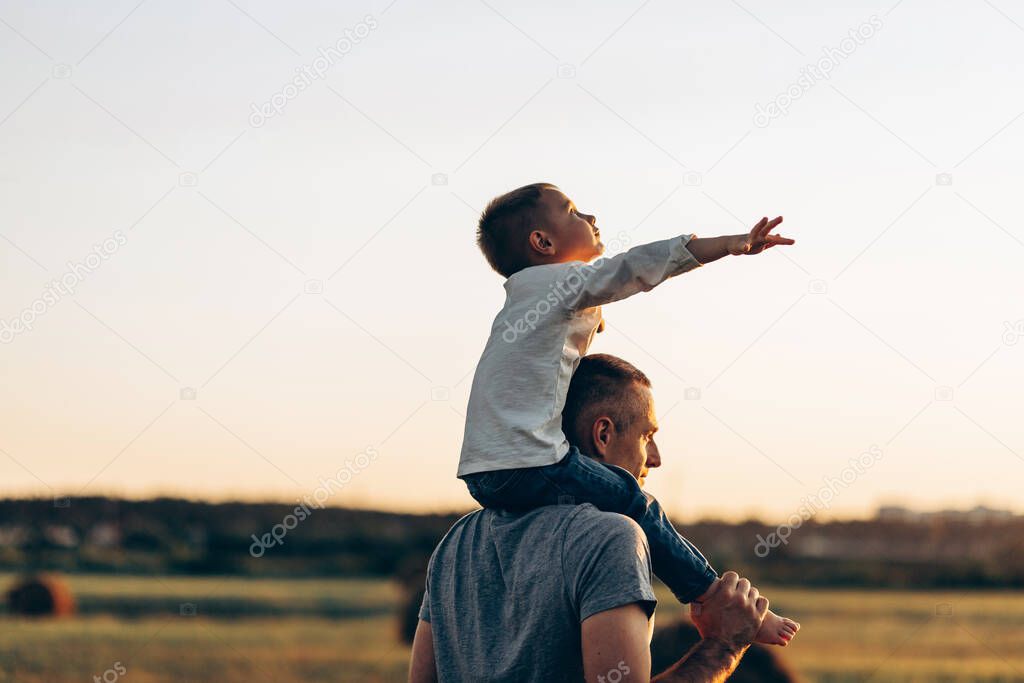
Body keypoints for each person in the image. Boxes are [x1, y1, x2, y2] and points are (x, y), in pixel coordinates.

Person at [457, 182, 798, 644]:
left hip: (484, 474)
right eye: (573, 211)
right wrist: (728, 246)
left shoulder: (519, 302)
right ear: (543, 243)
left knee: (580, 510)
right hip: (529, 463)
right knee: (634, 503)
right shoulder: (557, 282)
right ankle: (714, 598)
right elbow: (634, 269)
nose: (591, 217)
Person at [410, 354, 778, 682]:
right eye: (646, 435)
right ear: (603, 434)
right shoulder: (611, 536)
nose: (656, 457)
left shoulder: (457, 540)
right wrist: (725, 645)